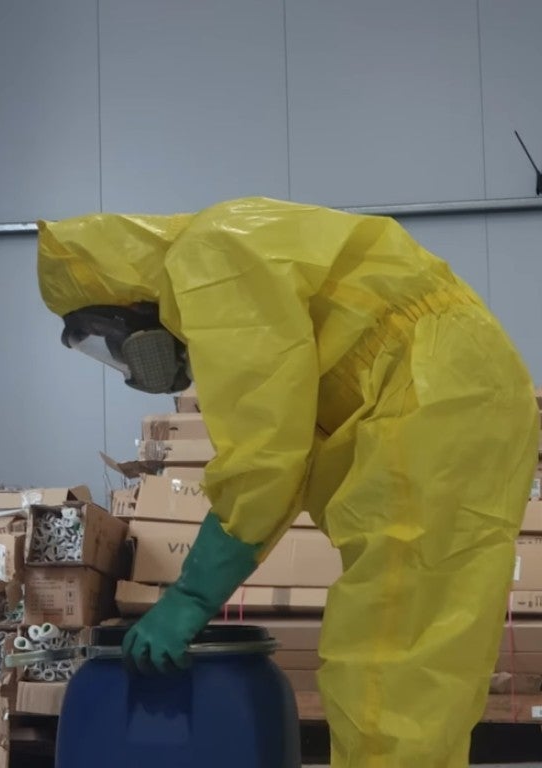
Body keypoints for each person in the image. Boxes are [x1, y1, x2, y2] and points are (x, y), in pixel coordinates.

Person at [36, 197, 537, 768]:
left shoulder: (209, 261)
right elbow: (288, 449)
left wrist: (193, 597)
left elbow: (264, 454)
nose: (129, 365)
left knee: (391, 657)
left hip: (430, 398)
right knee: (426, 653)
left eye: (106, 337)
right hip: (462, 393)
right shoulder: (225, 249)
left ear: (125, 300)